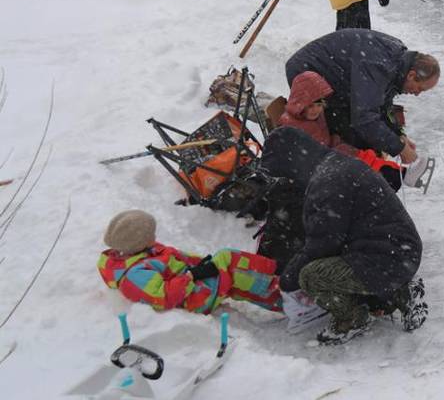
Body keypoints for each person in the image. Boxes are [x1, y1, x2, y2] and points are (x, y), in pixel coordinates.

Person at [261, 128, 426, 346]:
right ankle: (400, 292)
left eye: (286, 174)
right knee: (338, 269)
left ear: (291, 162)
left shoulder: (326, 182)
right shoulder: (336, 164)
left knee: (311, 276)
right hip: (399, 251)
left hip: (387, 257)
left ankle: (352, 319)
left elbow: (323, 244)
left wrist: (288, 277)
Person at [284, 30, 438, 157]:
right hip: (308, 71)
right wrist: (399, 149)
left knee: (360, 135)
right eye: (420, 88)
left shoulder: (397, 63)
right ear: (411, 75)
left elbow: (382, 102)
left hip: (338, 80)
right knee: (336, 136)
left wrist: (397, 135)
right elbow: (364, 118)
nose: (417, 94)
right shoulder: (379, 64)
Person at [98, 209, 281, 315]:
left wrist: (202, 263)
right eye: (150, 234)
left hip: (192, 284)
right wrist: (193, 275)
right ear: (138, 242)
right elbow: (163, 297)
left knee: (227, 266)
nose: (154, 236)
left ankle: (277, 275)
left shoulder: (142, 251)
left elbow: (178, 257)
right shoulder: (134, 275)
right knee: (231, 267)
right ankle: (281, 296)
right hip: (192, 298)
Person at [277, 70, 356, 155]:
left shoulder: (316, 116)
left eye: (319, 105)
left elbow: (325, 141)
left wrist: (337, 143)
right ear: (300, 105)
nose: (316, 110)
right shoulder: (291, 125)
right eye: (310, 106)